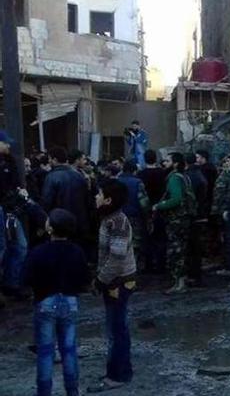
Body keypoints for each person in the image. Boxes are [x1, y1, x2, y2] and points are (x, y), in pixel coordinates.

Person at [22, 209, 90, 396]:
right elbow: (84, 278)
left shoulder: (38, 252)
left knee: (45, 352)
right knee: (69, 350)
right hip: (70, 301)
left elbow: (26, 278)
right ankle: (72, 391)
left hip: (44, 301)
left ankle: (44, 392)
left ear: (50, 229)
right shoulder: (77, 251)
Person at [91, 179, 136, 392]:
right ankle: (119, 371)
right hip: (115, 280)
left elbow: (116, 258)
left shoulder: (117, 222)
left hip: (118, 282)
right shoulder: (109, 218)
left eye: (99, 194)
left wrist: (101, 280)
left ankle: (118, 375)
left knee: (117, 330)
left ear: (108, 199)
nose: (95, 197)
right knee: (117, 329)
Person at [154, 153, 195, 293]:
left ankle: (179, 283)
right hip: (184, 218)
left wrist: (159, 206)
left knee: (175, 252)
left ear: (175, 163)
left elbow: (176, 199)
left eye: (167, 161)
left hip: (176, 220)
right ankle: (180, 282)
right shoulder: (184, 176)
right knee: (181, 251)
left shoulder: (174, 179)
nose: (164, 163)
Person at [41, 147, 90, 247]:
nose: (49, 161)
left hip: (59, 223)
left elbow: (47, 202)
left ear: (55, 160)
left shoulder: (51, 177)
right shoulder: (79, 176)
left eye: (50, 159)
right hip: (79, 222)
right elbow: (87, 200)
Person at [0, 131, 29, 301]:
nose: (9, 146)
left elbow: (16, 182)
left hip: (10, 210)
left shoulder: (9, 161)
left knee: (18, 246)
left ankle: (11, 283)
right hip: (6, 209)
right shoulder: (8, 162)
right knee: (6, 247)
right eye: (5, 143)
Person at [137, 150, 167, 273]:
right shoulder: (163, 173)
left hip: (146, 208)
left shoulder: (142, 174)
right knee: (160, 237)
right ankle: (161, 265)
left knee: (147, 237)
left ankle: (148, 265)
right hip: (160, 207)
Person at [117, 161, 149, 272]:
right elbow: (143, 202)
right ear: (135, 170)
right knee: (134, 245)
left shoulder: (115, 182)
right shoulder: (137, 182)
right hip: (134, 217)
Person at [184, 154, 208, 287]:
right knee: (197, 246)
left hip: (191, 215)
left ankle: (192, 274)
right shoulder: (200, 174)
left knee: (190, 246)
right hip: (200, 213)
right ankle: (196, 273)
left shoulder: (187, 176)